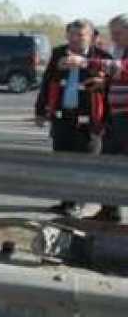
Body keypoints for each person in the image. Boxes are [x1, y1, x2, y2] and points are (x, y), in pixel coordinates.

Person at [35, 18, 111, 217]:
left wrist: (91, 71)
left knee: (83, 163)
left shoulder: (102, 57)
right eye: (72, 35)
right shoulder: (59, 53)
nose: (75, 40)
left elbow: (110, 87)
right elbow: (47, 82)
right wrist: (40, 111)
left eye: (81, 35)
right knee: (62, 162)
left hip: (88, 121)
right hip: (62, 117)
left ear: (91, 37)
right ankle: (66, 201)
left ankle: (78, 202)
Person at [60, 13, 128, 223]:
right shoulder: (121, 50)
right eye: (112, 33)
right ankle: (110, 210)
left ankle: (111, 209)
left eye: (117, 33)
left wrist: (85, 62)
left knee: (116, 164)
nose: (113, 38)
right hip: (117, 116)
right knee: (108, 163)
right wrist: (105, 85)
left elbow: (120, 69)